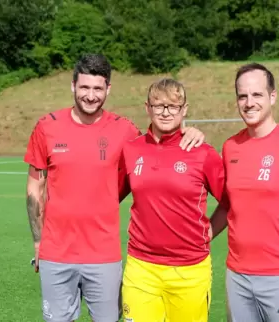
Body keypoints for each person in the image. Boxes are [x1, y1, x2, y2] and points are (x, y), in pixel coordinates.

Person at [24, 54, 206, 322]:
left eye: (98, 88)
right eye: (84, 87)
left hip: (104, 256)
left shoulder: (125, 131)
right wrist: (38, 242)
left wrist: (190, 132)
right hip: (56, 254)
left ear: (108, 89)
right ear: (73, 85)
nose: (90, 95)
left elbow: (160, 141)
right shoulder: (46, 126)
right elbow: (34, 186)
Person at [209, 63, 279, 322]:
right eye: (242, 96)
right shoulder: (230, 146)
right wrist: (203, 236)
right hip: (237, 277)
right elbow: (228, 205)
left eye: (257, 94)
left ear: (272, 96)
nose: (249, 103)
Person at [119, 78, 227, 322]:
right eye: (159, 106)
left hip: (189, 269)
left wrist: (209, 231)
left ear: (184, 110)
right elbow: (109, 195)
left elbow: (231, 202)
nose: (165, 112)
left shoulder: (203, 152)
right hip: (141, 268)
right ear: (147, 108)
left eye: (173, 106)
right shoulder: (132, 149)